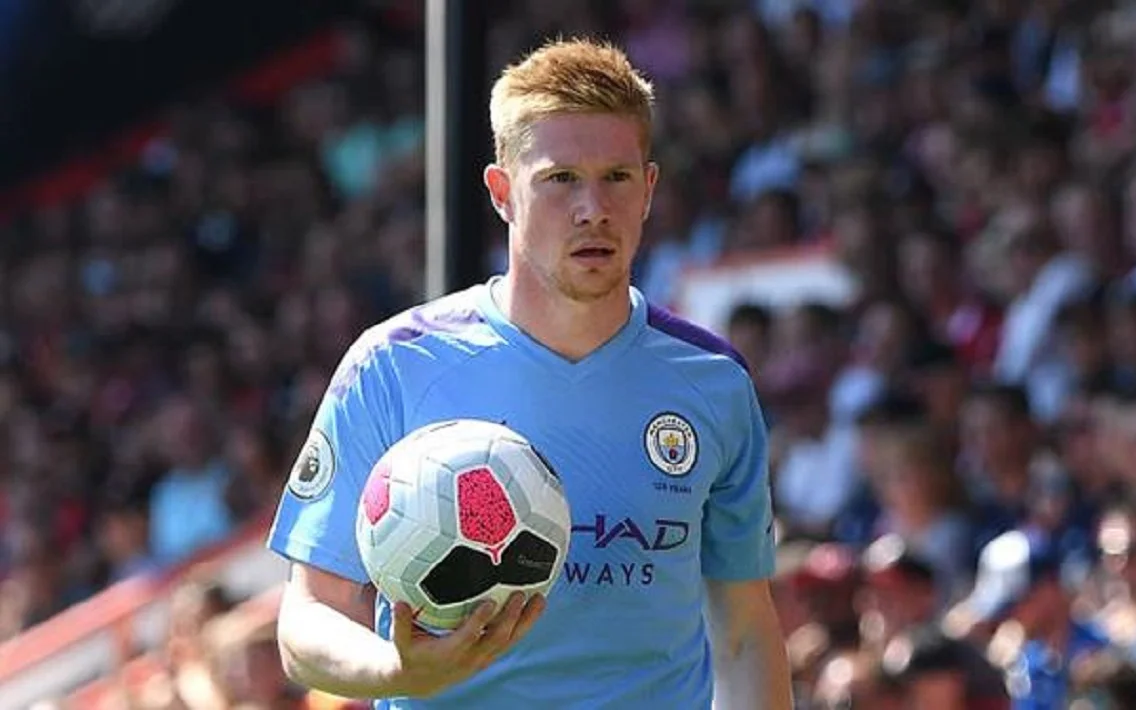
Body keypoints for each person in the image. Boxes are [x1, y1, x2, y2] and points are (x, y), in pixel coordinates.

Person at [267, 38, 791, 709]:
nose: (593, 208)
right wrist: (398, 671)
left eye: (617, 177)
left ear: (649, 189)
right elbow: (308, 618)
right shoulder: (394, 364)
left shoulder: (713, 381)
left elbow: (744, 633)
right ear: (502, 192)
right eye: (561, 178)